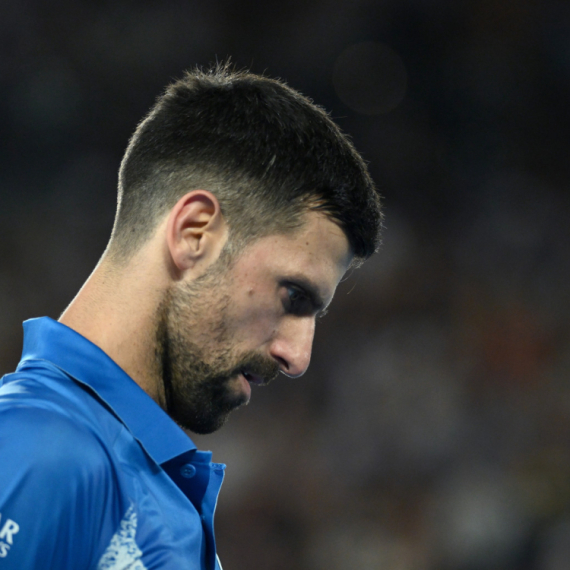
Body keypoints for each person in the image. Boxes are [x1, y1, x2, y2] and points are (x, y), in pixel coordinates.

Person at [0, 64, 382, 569]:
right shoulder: (38, 450)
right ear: (194, 233)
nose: (298, 357)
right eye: (294, 296)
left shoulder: (143, 484)